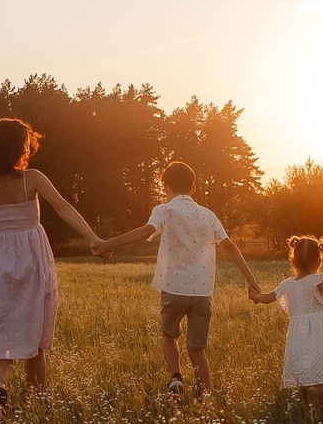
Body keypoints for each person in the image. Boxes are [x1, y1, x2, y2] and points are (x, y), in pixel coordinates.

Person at [0, 116, 103, 409]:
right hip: (32, 256)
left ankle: (0, 385)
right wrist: (93, 237)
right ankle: (37, 401)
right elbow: (63, 207)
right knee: (33, 327)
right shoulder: (33, 178)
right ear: (21, 149)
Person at [90, 160, 261, 396]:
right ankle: (205, 399)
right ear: (193, 188)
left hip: (173, 288)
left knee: (169, 335)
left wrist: (108, 244)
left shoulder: (163, 210)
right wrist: (251, 280)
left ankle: (176, 377)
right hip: (202, 293)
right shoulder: (208, 215)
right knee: (196, 349)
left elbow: (146, 231)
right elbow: (229, 246)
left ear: (165, 186)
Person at [249, 232, 323, 401]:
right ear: (319, 260)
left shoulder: (287, 284)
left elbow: (266, 298)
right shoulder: (317, 279)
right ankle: (318, 390)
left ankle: (305, 391)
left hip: (297, 333)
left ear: (293, 260)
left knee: (303, 362)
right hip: (318, 330)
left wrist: (255, 296)